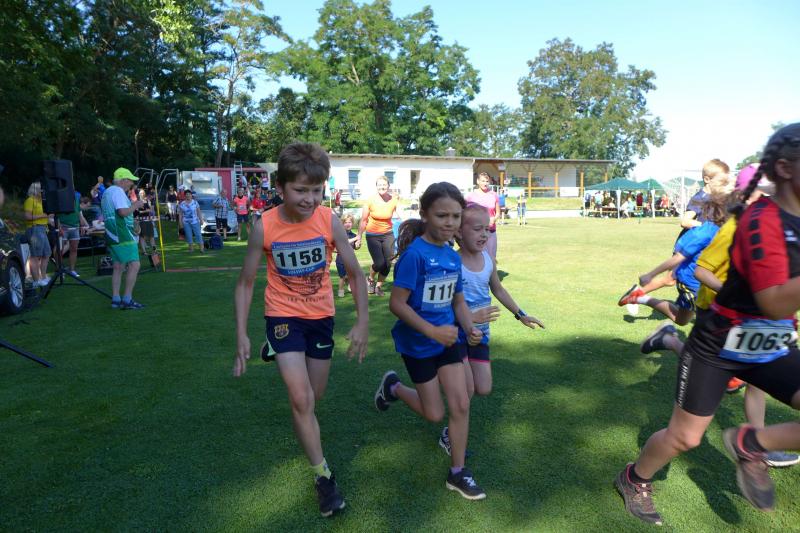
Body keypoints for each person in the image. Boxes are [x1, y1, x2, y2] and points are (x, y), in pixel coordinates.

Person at [614, 123, 800, 526]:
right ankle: (634, 478)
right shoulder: (759, 220)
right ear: (786, 168)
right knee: (685, 437)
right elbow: (771, 300)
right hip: (719, 342)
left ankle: (753, 442)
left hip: (772, 342)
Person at [233, 142, 368, 518]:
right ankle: (324, 477)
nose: (309, 199)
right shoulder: (264, 226)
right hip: (282, 316)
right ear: (280, 187)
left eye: (316, 190)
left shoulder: (329, 220)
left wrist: (362, 322)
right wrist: (241, 332)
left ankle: (279, 354)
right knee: (302, 399)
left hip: (320, 318)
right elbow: (245, 283)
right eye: (300, 190)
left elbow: (356, 274)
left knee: (314, 396)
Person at [638, 164, 799, 468]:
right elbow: (701, 269)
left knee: (755, 383)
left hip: (758, 326)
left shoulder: (782, 227)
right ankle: (669, 340)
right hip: (716, 313)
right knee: (705, 374)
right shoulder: (733, 227)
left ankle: (756, 444)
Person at [373, 182, 487, 501]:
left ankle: (458, 473)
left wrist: (469, 327)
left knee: (461, 403)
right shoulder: (415, 256)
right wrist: (431, 331)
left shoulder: (451, 257)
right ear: (425, 215)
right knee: (434, 414)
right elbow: (397, 304)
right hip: (418, 345)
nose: (449, 223)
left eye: (455, 216)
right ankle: (394, 387)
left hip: (448, 340)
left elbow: (458, 300)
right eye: (442, 216)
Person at [436, 203, 544, 454]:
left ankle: (433, 392)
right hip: (457, 333)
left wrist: (521, 315)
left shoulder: (487, 259)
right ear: (459, 232)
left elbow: (498, 289)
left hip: (481, 334)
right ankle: (450, 435)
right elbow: (443, 305)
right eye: (477, 229)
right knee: (467, 389)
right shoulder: (451, 262)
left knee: (483, 387)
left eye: (487, 229)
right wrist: (470, 318)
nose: (484, 234)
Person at [618, 193, 731, 326]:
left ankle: (640, 298)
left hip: (707, 281)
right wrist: (650, 274)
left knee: (683, 320)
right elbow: (679, 256)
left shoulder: (729, 231)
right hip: (691, 282)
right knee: (695, 320)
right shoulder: (705, 232)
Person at [101, 168, 145, 309]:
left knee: (118, 266)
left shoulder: (107, 192)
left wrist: (132, 222)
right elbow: (122, 212)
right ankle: (127, 299)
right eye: (130, 180)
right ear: (123, 180)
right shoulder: (118, 192)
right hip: (122, 235)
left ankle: (116, 299)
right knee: (134, 264)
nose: (131, 184)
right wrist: (136, 205)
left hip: (112, 234)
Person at [355, 175, 399, 296]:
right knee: (379, 263)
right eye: (379, 185)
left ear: (388, 186)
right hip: (372, 235)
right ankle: (370, 279)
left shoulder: (394, 200)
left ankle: (378, 287)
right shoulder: (370, 200)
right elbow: (363, 220)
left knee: (388, 263)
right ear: (376, 186)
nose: (382, 187)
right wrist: (359, 236)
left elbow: (401, 214)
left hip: (388, 234)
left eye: (384, 185)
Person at [23, 181, 52, 287]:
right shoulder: (30, 200)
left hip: (42, 229)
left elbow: (45, 216)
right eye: (41, 189)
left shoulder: (41, 201)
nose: (43, 191)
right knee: (35, 255)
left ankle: (43, 277)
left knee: (46, 254)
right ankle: (36, 281)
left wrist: (49, 218)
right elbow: (27, 216)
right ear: (35, 190)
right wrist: (43, 215)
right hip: (34, 229)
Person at [465, 172, 500, 259]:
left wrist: (494, 219)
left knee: (491, 257)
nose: (485, 183)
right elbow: (466, 213)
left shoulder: (494, 195)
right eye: (483, 181)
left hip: (491, 231)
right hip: (476, 232)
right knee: (478, 256)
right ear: (478, 181)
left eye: (487, 181)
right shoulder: (471, 196)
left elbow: (498, 213)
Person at [57, 190, 89, 277]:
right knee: (59, 249)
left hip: (75, 227)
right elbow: (55, 215)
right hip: (63, 227)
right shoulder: (60, 198)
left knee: (74, 249)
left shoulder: (77, 199)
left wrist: (82, 226)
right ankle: (60, 269)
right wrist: (59, 227)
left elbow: (79, 214)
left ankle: (72, 270)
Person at [334, 213, 358, 298]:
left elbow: (355, 247)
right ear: (342, 223)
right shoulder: (340, 233)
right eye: (345, 222)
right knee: (342, 276)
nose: (348, 224)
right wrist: (356, 238)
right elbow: (345, 242)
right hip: (341, 259)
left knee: (350, 275)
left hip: (351, 259)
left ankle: (349, 285)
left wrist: (358, 244)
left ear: (352, 223)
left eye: (350, 222)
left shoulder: (354, 235)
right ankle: (341, 290)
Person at [134, 189, 157, 254]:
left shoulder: (147, 201)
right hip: (141, 221)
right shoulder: (137, 202)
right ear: (139, 194)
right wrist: (145, 211)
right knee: (142, 237)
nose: (142, 194)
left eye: (143, 193)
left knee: (151, 236)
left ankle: (154, 250)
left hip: (148, 220)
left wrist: (144, 211)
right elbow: (137, 212)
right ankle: (144, 251)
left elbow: (151, 210)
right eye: (141, 193)